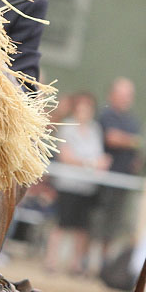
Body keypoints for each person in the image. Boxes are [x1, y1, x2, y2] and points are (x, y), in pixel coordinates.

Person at [44, 91, 111, 274]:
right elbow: (66, 156)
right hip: (68, 184)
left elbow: (99, 156)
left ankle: (76, 264)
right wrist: (90, 163)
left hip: (87, 186)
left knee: (81, 227)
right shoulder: (67, 127)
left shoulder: (95, 129)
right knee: (61, 223)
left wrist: (93, 163)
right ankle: (51, 261)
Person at [97, 77, 141, 255]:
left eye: (128, 95)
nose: (125, 99)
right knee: (98, 221)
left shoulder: (132, 121)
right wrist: (131, 141)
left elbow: (138, 145)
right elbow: (112, 138)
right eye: (122, 95)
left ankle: (104, 259)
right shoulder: (106, 115)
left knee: (114, 224)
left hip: (123, 179)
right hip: (103, 179)